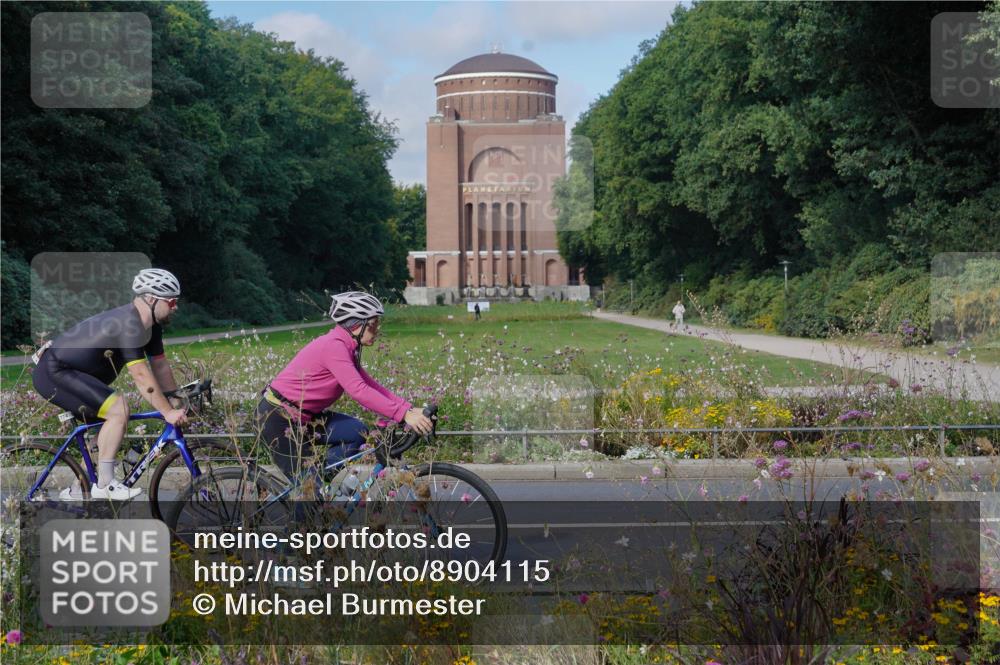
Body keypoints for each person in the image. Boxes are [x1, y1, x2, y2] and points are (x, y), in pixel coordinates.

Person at [255, 291, 433, 496]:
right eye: (374, 324)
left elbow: (369, 384)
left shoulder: (348, 346)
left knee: (356, 432)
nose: (377, 329)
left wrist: (408, 409)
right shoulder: (334, 347)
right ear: (357, 325)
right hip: (277, 419)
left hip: (303, 417)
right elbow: (358, 390)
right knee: (312, 496)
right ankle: (310, 505)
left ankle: (319, 481)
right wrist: (403, 415)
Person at [32, 268, 188, 500]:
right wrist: (167, 412)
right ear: (153, 299)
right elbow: (141, 375)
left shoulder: (152, 327)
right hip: (55, 372)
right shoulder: (130, 323)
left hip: (75, 374)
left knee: (111, 430)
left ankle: (79, 490)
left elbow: (160, 366)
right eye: (172, 301)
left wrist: (176, 399)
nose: (176, 306)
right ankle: (105, 484)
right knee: (119, 409)